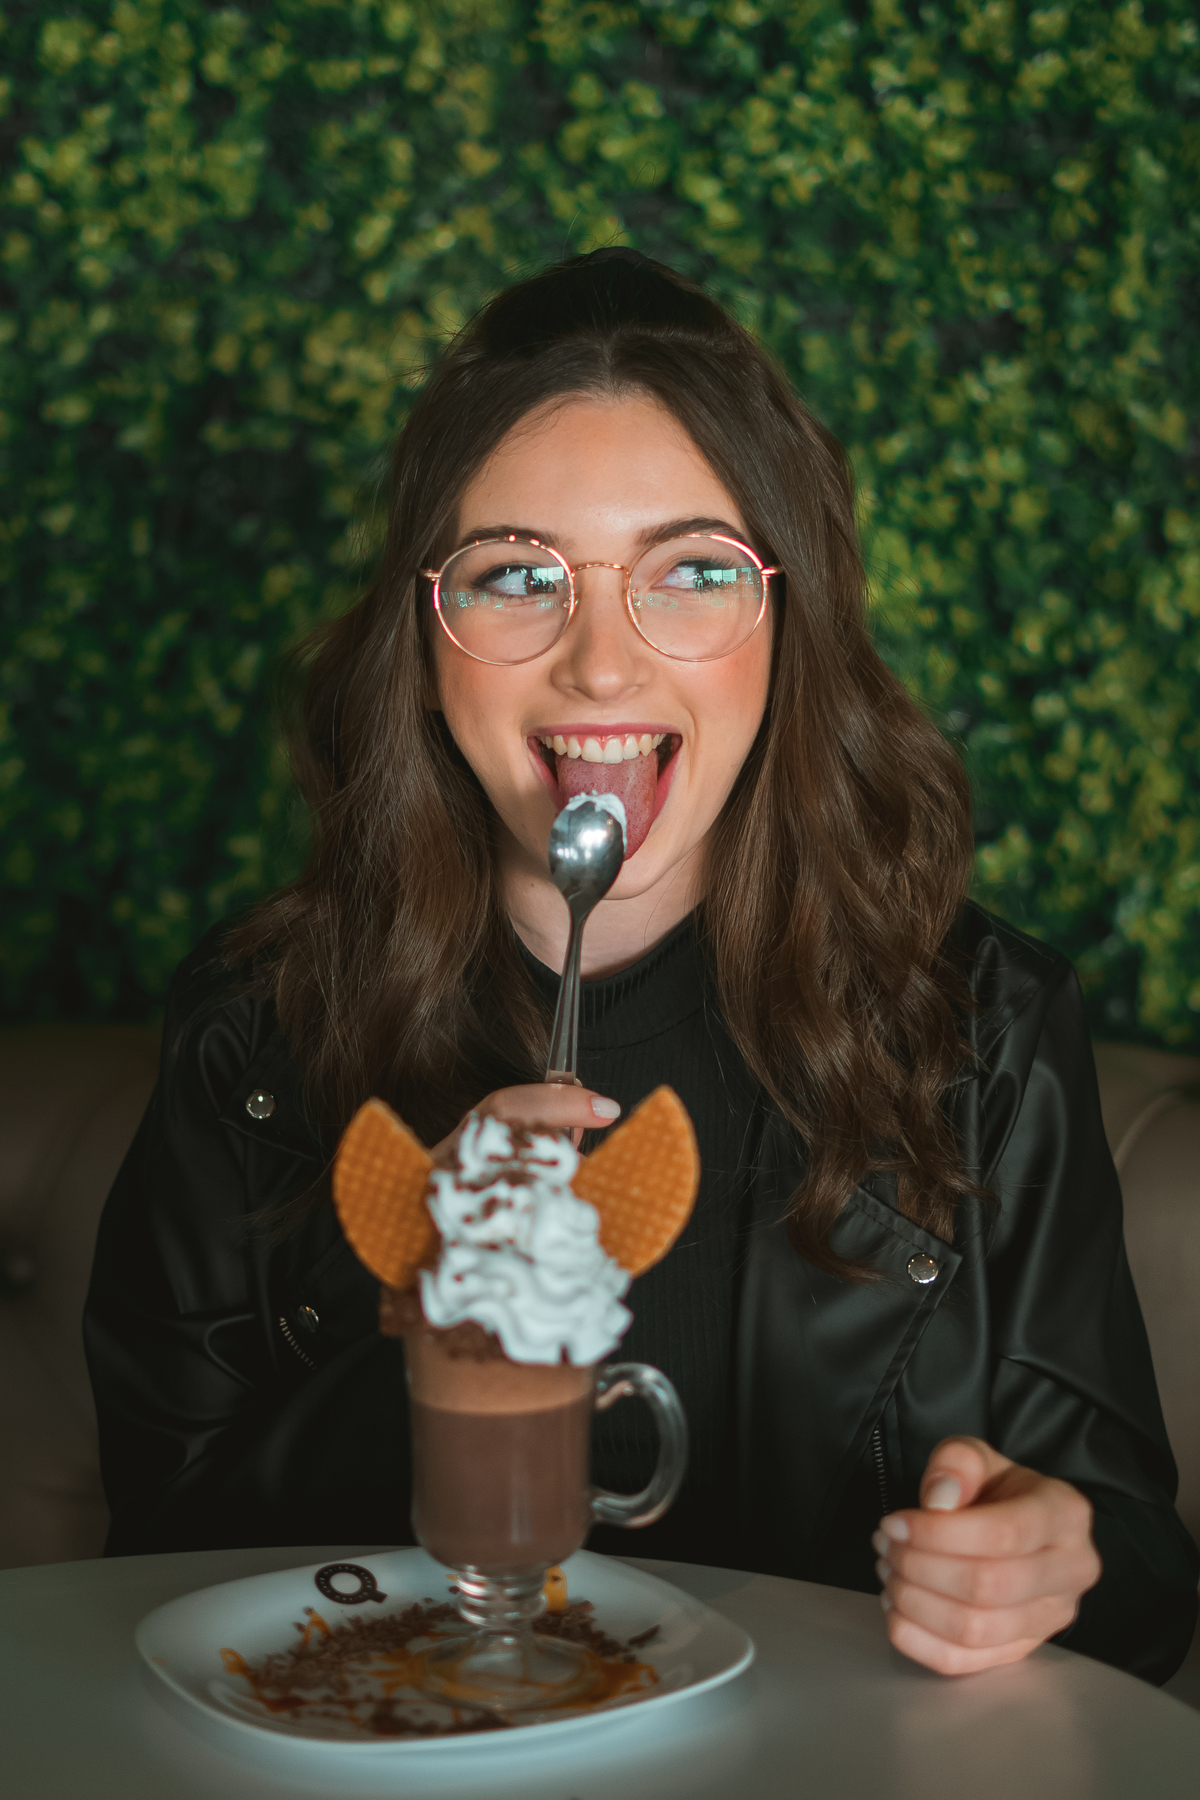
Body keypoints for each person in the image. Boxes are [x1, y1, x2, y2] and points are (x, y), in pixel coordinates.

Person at [85, 250, 1198, 1683]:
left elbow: (1143, 1584)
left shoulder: (977, 1028)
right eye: (517, 577)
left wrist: (1057, 1558)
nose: (602, 668)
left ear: (786, 621)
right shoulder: (257, 1038)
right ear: (425, 640)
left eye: (692, 571)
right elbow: (153, 1578)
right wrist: (440, 1325)